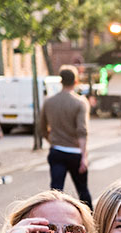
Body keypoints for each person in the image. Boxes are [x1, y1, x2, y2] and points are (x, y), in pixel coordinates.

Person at [38, 65, 91, 204]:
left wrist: (51, 140)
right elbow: (82, 130)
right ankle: (91, 222)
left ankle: (52, 222)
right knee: (83, 191)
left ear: (61, 81)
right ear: (76, 81)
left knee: (55, 191)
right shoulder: (80, 102)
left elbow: (42, 127)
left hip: (57, 151)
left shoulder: (49, 102)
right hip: (75, 152)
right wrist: (84, 156)